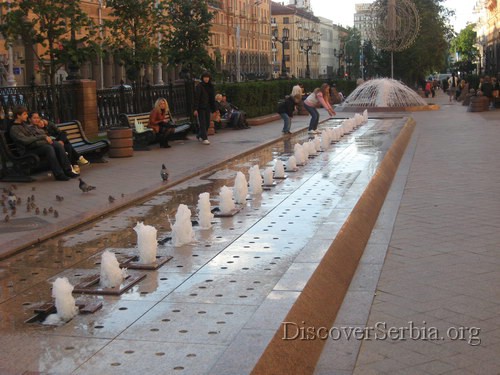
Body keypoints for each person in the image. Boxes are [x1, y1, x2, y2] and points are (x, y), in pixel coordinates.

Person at [9, 105, 78, 181]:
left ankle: (68, 171)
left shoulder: (24, 125)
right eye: (24, 114)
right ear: (18, 116)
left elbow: (34, 135)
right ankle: (59, 174)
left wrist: (45, 138)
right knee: (48, 148)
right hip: (26, 150)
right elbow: (26, 141)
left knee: (57, 144)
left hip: (34, 146)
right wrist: (43, 138)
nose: (26, 116)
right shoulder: (14, 128)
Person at [193, 72, 216, 145]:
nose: (206, 79)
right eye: (205, 77)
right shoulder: (199, 86)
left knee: (207, 123)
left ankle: (199, 135)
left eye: (207, 77)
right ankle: (205, 138)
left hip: (208, 107)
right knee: (202, 123)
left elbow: (212, 98)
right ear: (202, 78)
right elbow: (196, 98)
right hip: (201, 107)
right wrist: (195, 109)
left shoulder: (211, 86)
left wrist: (214, 109)